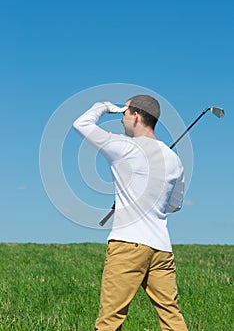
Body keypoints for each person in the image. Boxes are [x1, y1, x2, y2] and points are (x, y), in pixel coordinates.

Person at [73, 95, 188, 331]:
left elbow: (81, 124)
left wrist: (104, 107)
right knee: (171, 318)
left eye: (124, 113)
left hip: (127, 245)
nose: (122, 119)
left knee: (109, 321)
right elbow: (174, 205)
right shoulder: (174, 159)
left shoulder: (123, 147)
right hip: (161, 249)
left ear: (136, 116)